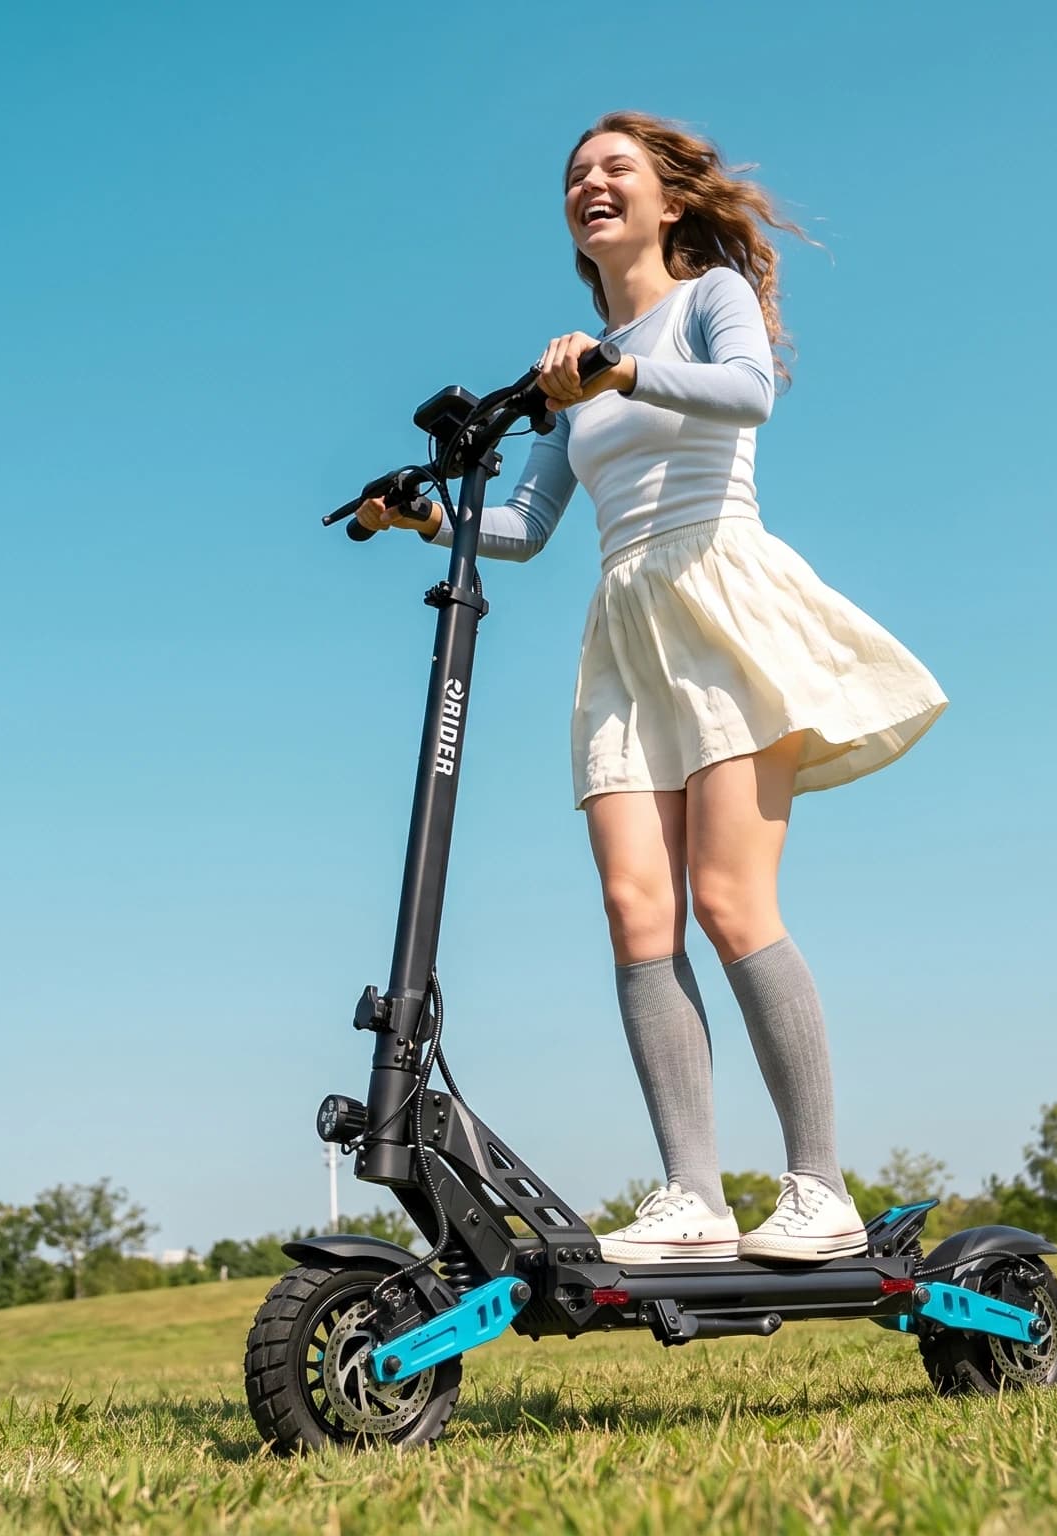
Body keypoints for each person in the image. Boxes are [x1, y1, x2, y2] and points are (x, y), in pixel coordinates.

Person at [356, 113, 944, 1264]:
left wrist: (621, 365)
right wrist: (418, 514)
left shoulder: (707, 293)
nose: (590, 184)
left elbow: (747, 391)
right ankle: (692, 1196)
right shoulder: (566, 364)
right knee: (637, 911)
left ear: (667, 199)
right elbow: (524, 528)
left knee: (730, 901)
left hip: (721, 595)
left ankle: (817, 1189)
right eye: (574, 175)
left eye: (613, 169)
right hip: (624, 626)